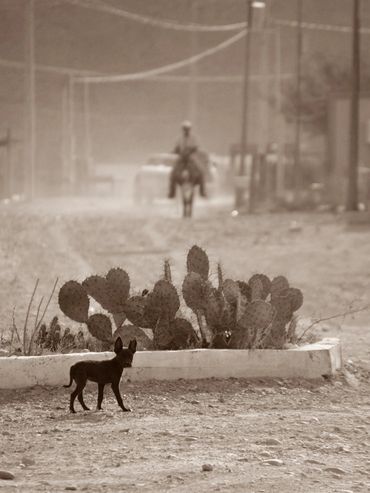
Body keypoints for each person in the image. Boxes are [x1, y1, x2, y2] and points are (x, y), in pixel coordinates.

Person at [168, 120, 206, 198]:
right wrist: (175, 151)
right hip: (181, 159)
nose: (186, 130)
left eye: (187, 129)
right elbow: (177, 148)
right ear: (183, 129)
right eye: (184, 129)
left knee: (201, 172)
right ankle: (172, 192)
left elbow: (196, 147)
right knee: (173, 173)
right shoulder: (179, 138)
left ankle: (202, 191)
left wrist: (190, 151)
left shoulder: (193, 138)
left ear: (189, 129)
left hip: (190, 158)